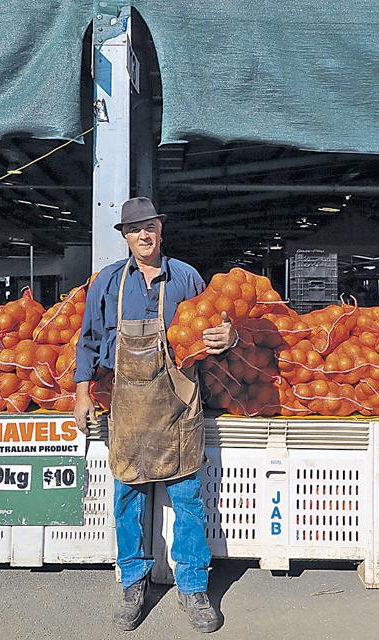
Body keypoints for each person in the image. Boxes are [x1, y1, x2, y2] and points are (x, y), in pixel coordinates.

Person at [73, 197, 237, 633]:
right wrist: (81, 394)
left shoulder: (186, 278)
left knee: (188, 500)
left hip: (178, 404)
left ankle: (192, 587)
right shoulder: (108, 283)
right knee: (127, 499)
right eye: (135, 229)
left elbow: (216, 326)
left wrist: (229, 335)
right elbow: (88, 341)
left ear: (161, 231)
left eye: (151, 227)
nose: (144, 235)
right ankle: (132, 584)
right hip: (126, 406)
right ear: (125, 237)